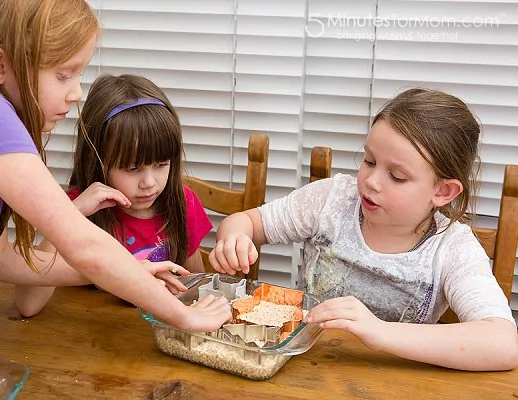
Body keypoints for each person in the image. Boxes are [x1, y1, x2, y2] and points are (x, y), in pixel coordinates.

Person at [0, 0, 231, 333]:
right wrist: (184, 316)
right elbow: (85, 247)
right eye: (63, 74)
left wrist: (129, 272)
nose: (76, 93)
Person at [208, 88, 518, 371]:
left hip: (390, 379)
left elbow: (503, 343)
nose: (371, 181)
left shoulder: (452, 248)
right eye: (369, 161)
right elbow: (247, 222)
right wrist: (234, 237)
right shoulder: (331, 200)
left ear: (443, 192)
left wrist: (379, 331)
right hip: (303, 367)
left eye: (396, 176)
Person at [0, 74, 213, 316]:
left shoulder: (183, 204)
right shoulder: (73, 209)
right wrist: (72, 214)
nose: (149, 183)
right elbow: (28, 304)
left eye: (161, 164)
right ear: (97, 161)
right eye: (132, 168)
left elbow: (193, 289)